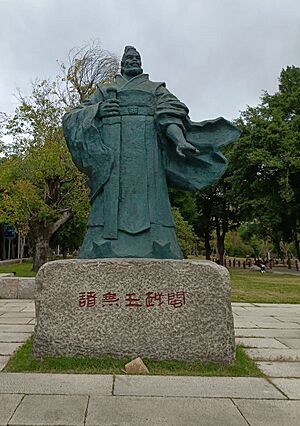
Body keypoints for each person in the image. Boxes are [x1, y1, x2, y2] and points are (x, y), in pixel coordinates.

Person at [63, 46, 239, 259]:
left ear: (141, 62)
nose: (132, 61)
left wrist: (180, 141)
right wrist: (98, 111)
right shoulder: (104, 91)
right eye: (129, 58)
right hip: (114, 152)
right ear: (122, 63)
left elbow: (170, 115)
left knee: (152, 196)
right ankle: (102, 243)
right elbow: (73, 116)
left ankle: (159, 243)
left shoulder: (156, 90)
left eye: (136, 58)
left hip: (149, 151)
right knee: (110, 197)